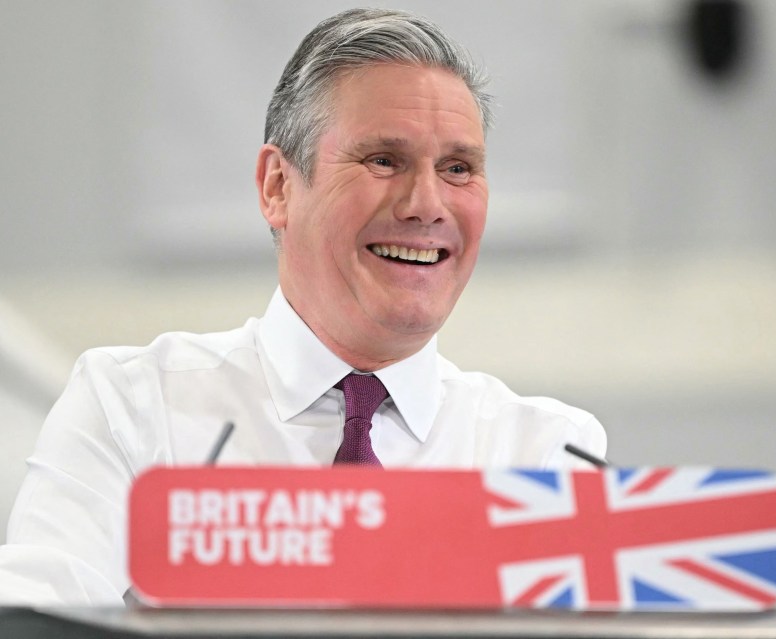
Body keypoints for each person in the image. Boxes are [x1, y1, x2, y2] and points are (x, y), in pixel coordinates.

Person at [0, 8, 606, 605]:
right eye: (383, 160)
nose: (427, 203)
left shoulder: (547, 454)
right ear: (277, 186)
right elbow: (38, 619)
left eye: (457, 168)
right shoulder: (133, 407)